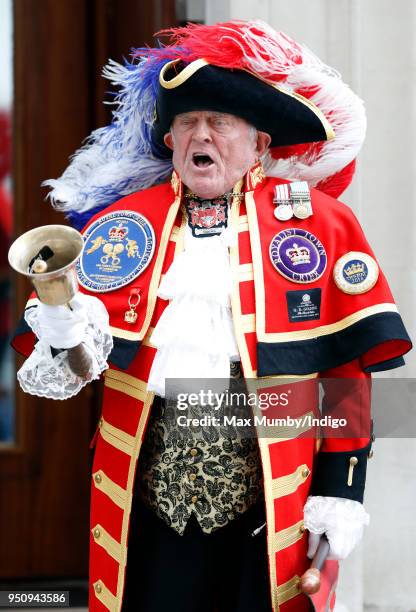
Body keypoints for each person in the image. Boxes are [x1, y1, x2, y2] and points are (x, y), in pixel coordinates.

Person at [12, 20, 411, 612]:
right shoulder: (123, 226)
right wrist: (67, 334)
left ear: (260, 144)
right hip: (146, 509)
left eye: (219, 123)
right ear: (170, 140)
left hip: (270, 506)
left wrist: (340, 491)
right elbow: (71, 374)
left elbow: (347, 376)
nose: (202, 136)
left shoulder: (320, 226)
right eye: (187, 123)